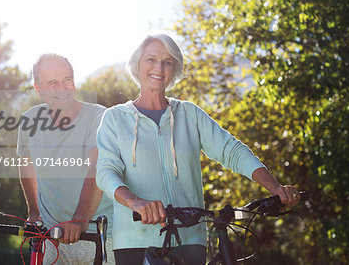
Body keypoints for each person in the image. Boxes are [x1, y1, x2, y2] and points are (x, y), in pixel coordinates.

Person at [95, 34, 301, 264]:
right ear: (137, 64)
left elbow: (231, 150)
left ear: (174, 69)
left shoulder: (189, 114)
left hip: (191, 238)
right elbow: (105, 173)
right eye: (150, 59)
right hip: (135, 240)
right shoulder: (114, 118)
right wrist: (136, 202)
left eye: (167, 61)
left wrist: (276, 188)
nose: (159, 68)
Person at [17, 54, 114, 264]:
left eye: (67, 79)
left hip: (100, 236)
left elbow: (96, 167)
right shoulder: (29, 121)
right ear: (38, 88)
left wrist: (79, 220)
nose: (62, 88)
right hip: (53, 238)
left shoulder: (98, 116)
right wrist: (34, 212)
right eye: (53, 83)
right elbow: (26, 165)